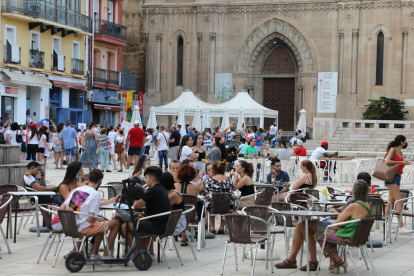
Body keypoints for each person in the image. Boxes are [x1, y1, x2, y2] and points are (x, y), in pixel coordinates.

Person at [275, 179, 372, 272]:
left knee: (314, 231)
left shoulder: (353, 206)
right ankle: (329, 260)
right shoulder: (368, 206)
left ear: (355, 191)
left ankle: (316, 261)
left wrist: (335, 223)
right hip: (355, 236)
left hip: (346, 235)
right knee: (302, 225)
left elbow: (337, 223)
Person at [59, 169, 120, 260]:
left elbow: (62, 208)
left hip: (70, 227)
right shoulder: (95, 194)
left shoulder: (77, 190)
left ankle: (95, 254)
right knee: (115, 223)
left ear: (89, 179)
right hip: (83, 228)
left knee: (101, 223)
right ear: (100, 181)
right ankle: (106, 256)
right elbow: (91, 220)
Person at [125, 167, 172, 257]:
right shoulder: (161, 189)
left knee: (125, 226)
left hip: (157, 226)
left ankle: (138, 254)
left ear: (152, 179)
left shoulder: (153, 190)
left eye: (146, 178)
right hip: (164, 224)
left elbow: (136, 205)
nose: (145, 181)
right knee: (141, 224)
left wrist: (136, 193)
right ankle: (148, 253)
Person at [384, 135, 413, 234]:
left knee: (391, 202)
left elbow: (399, 167)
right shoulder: (393, 149)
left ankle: (385, 225)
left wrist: (405, 163)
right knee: (399, 202)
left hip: (397, 177)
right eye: (405, 141)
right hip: (392, 178)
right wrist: (401, 161)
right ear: (401, 142)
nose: (406, 143)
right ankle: (401, 227)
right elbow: (387, 161)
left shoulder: (400, 152)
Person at [202, 160, 236, 234]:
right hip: (226, 206)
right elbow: (232, 188)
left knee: (210, 202)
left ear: (213, 170)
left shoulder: (209, 180)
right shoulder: (229, 180)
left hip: (213, 206)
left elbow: (202, 188)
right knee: (224, 202)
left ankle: (212, 227)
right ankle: (221, 227)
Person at [160, 172, 187, 245]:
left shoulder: (173, 195)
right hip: (173, 219)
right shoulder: (169, 193)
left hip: (176, 222)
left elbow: (162, 208)